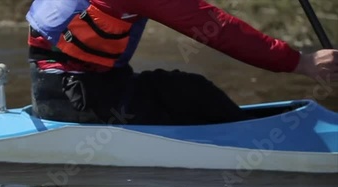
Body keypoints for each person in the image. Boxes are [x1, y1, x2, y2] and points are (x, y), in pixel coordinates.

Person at [25, 0, 338, 125]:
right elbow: (218, 28)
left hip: (63, 87)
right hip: (80, 98)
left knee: (185, 89)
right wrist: (301, 63)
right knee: (196, 96)